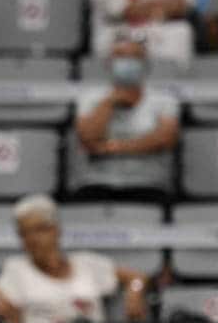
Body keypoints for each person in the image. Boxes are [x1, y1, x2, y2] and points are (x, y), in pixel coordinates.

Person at [0, 194, 149, 323]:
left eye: (40, 230)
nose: (32, 240)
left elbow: (136, 277)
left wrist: (135, 291)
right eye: (24, 233)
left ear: (56, 230)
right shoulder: (15, 270)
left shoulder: (87, 263)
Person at [72, 34, 179, 203]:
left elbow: (165, 139)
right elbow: (88, 140)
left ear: (146, 65)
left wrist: (111, 147)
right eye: (121, 56)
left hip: (149, 184)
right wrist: (110, 102)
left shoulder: (164, 99)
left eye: (135, 57)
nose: (128, 62)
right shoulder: (89, 98)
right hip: (97, 182)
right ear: (108, 63)